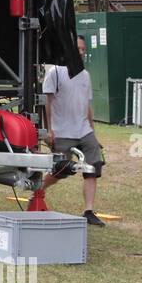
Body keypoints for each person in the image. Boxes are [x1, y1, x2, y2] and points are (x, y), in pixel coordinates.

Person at [29, 34, 105, 226]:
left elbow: (87, 106)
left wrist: (93, 133)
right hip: (62, 131)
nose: (80, 53)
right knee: (61, 169)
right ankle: (38, 191)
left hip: (84, 130)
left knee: (93, 167)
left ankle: (88, 211)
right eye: (77, 49)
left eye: (83, 50)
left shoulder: (85, 75)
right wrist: (48, 130)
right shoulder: (55, 72)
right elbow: (47, 102)